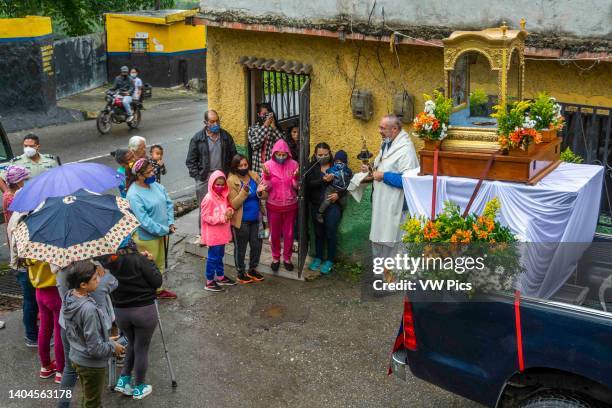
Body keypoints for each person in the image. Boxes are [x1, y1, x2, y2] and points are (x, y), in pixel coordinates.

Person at [102, 244, 162, 400]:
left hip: (121, 312)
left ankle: (124, 379)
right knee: (141, 347)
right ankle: (140, 387)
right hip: (143, 310)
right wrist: (151, 262)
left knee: (132, 343)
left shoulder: (107, 263)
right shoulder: (140, 259)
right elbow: (157, 281)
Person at [62, 261, 125, 408]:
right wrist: (112, 347)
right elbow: (95, 349)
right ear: (83, 284)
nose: (99, 280)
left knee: (87, 395)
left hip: (76, 356)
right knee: (93, 402)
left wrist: (105, 338)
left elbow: (82, 333)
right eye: (95, 278)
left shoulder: (69, 296)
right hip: (90, 364)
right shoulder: (89, 309)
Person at [365, 115, 418, 262]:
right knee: (381, 240)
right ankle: (383, 277)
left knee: (395, 244)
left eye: (382, 128)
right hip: (383, 203)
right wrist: (371, 169)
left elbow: (409, 180)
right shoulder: (388, 143)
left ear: (394, 129)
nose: (379, 131)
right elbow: (382, 164)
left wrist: (383, 175)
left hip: (397, 207)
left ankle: (395, 281)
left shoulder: (406, 149)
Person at [127, 158, 177, 299]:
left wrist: (170, 223)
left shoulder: (156, 185)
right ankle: (148, 294)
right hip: (146, 238)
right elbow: (144, 221)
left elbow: (168, 203)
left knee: (160, 263)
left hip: (162, 232)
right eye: (148, 172)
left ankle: (158, 290)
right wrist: (165, 229)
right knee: (149, 267)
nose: (152, 174)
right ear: (139, 175)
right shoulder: (133, 195)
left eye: (152, 170)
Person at [186, 110, 237, 226]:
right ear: (205, 123)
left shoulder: (225, 136)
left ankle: (223, 231)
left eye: (217, 121)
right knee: (204, 206)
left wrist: (230, 174)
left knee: (223, 204)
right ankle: (203, 234)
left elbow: (234, 155)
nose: (216, 124)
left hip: (222, 177)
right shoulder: (197, 138)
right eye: (212, 121)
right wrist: (198, 177)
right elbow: (190, 161)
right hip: (205, 177)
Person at [227, 154, 267, 284]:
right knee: (241, 248)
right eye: (240, 166)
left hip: (257, 218)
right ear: (235, 167)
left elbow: (264, 195)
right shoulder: (231, 180)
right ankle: (241, 272)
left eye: (245, 165)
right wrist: (244, 192)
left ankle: (252, 269)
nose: (244, 167)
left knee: (257, 245)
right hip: (241, 221)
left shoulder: (254, 176)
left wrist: (261, 192)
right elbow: (234, 204)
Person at [306, 143, 344, 274]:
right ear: (315, 155)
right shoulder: (311, 167)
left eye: (326, 154)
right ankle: (318, 258)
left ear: (330, 153)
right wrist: (323, 180)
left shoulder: (337, 166)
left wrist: (338, 195)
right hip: (316, 205)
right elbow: (308, 184)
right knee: (318, 233)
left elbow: (346, 184)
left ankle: (330, 260)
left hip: (333, 206)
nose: (323, 157)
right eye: (320, 155)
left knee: (330, 232)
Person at [261, 139, 299, 272]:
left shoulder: (294, 164)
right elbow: (267, 187)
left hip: (290, 205)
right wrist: (266, 176)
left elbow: (296, 187)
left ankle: (287, 258)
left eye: (284, 155)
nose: (281, 157)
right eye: (279, 154)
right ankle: (275, 258)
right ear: (274, 153)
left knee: (289, 234)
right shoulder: (268, 165)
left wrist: (295, 178)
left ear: (288, 153)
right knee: (275, 234)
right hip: (273, 205)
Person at [27, 259, 64, 383]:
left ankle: (46, 366)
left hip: (39, 291)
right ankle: (61, 370)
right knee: (60, 330)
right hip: (54, 291)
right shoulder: (51, 248)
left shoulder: (31, 248)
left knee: (44, 328)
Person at [200, 170, 236, 292]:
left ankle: (220, 276)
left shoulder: (223, 196)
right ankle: (209, 281)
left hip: (222, 234)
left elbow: (228, 207)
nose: (220, 187)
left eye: (222, 184)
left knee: (220, 256)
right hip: (214, 235)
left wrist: (230, 210)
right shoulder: (208, 198)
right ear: (211, 184)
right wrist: (222, 218)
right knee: (213, 257)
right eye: (217, 184)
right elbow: (205, 217)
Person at [7, 211, 38, 347]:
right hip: (25, 268)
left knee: (30, 302)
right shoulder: (24, 218)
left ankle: (33, 333)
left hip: (19, 267)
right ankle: (32, 336)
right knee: (30, 302)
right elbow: (24, 249)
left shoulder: (16, 214)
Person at [316, 150, 352, 224]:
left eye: (341, 161)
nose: (338, 163)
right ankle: (319, 213)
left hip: (341, 190)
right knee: (326, 201)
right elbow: (328, 173)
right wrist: (328, 175)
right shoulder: (333, 169)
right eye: (337, 161)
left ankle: (341, 214)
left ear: (345, 162)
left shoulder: (348, 171)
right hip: (331, 188)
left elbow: (350, 179)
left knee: (344, 203)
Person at [248, 103, 284, 174]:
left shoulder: (277, 129)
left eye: (268, 114)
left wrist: (274, 127)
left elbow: (282, 145)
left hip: (273, 167)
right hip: (258, 167)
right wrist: (265, 126)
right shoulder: (253, 129)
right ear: (258, 115)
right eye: (264, 114)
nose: (266, 116)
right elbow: (254, 144)